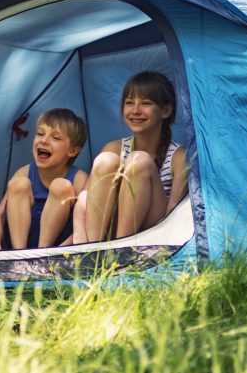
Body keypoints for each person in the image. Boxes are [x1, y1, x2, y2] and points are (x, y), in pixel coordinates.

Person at [71, 71, 188, 244]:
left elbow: (174, 212)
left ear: (165, 110)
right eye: (129, 103)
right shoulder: (114, 148)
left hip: (155, 229)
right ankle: (94, 250)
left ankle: (121, 250)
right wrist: (78, 241)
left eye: (146, 103)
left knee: (138, 160)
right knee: (105, 161)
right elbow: (85, 200)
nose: (135, 110)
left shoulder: (179, 156)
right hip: (109, 228)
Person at [0, 108, 89, 250]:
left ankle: (43, 254)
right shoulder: (24, 172)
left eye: (56, 138)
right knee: (18, 184)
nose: (44, 140)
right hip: (19, 247)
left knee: (61, 186)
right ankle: (19, 257)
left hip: (55, 250)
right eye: (40, 133)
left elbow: (87, 224)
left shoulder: (79, 179)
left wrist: (64, 250)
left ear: (72, 151)